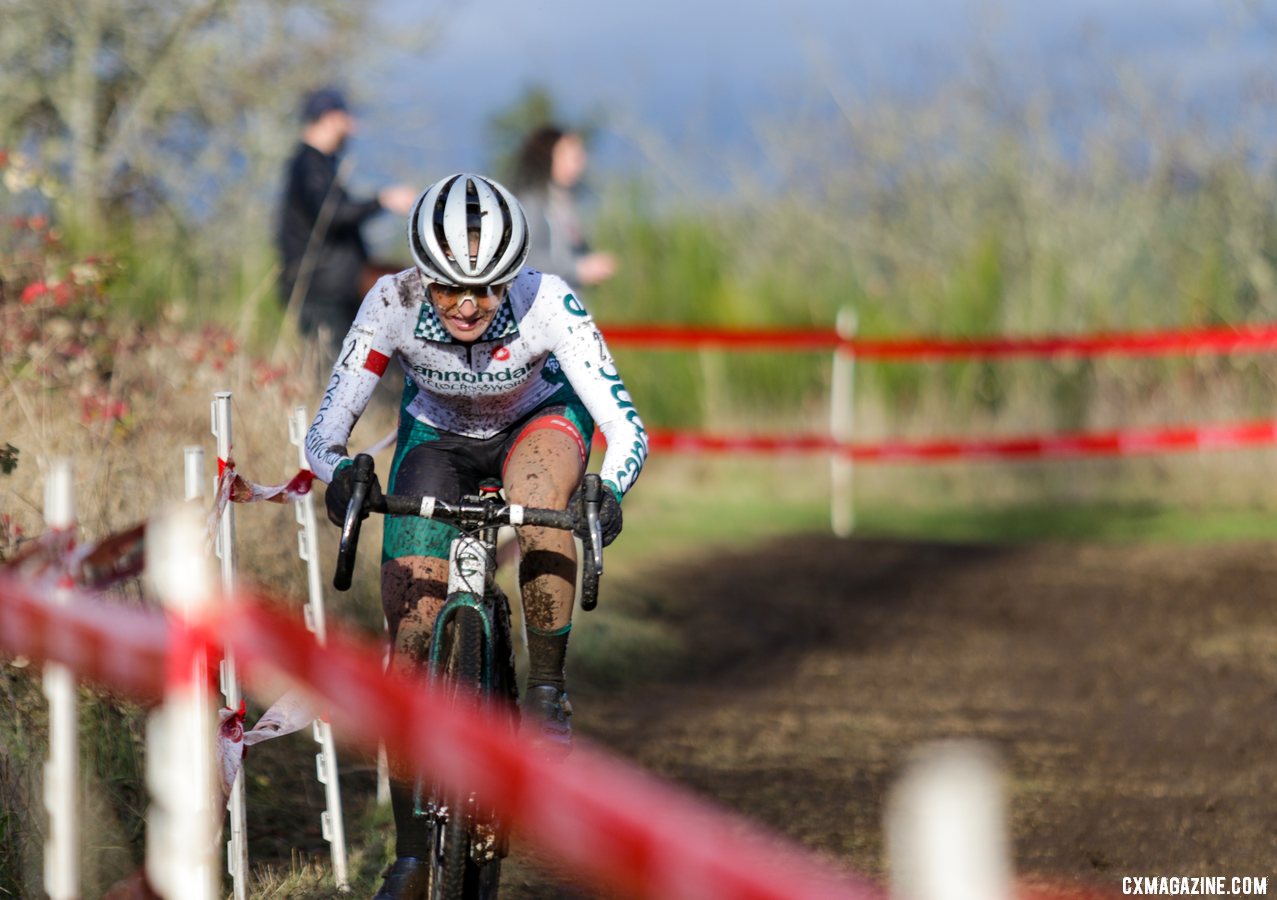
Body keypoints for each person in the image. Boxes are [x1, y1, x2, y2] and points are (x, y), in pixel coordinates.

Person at [304, 173, 648, 896]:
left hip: (538, 424)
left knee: (540, 498)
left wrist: (608, 491)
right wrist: (341, 474)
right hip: (437, 438)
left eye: (487, 290)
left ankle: (546, 691)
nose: (467, 305)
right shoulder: (390, 303)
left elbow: (624, 427)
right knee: (411, 629)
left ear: (511, 279)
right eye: (448, 289)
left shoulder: (548, 301)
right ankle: (406, 853)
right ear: (420, 278)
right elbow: (325, 435)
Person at [275, 87, 417, 358]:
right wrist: (383, 200)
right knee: (333, 373)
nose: (352, 127)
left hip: (334, 290)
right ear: (329, 118)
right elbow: (332, 214)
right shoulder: (308, 165)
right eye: (346, 118)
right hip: (323, 294)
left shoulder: (317, 165)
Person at [512, 124, 618, 291]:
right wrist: (578, 269)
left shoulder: (565, 201)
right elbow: (524, 260)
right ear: (547, 156)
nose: (579, 164)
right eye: (572, 157)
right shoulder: (531, 203)